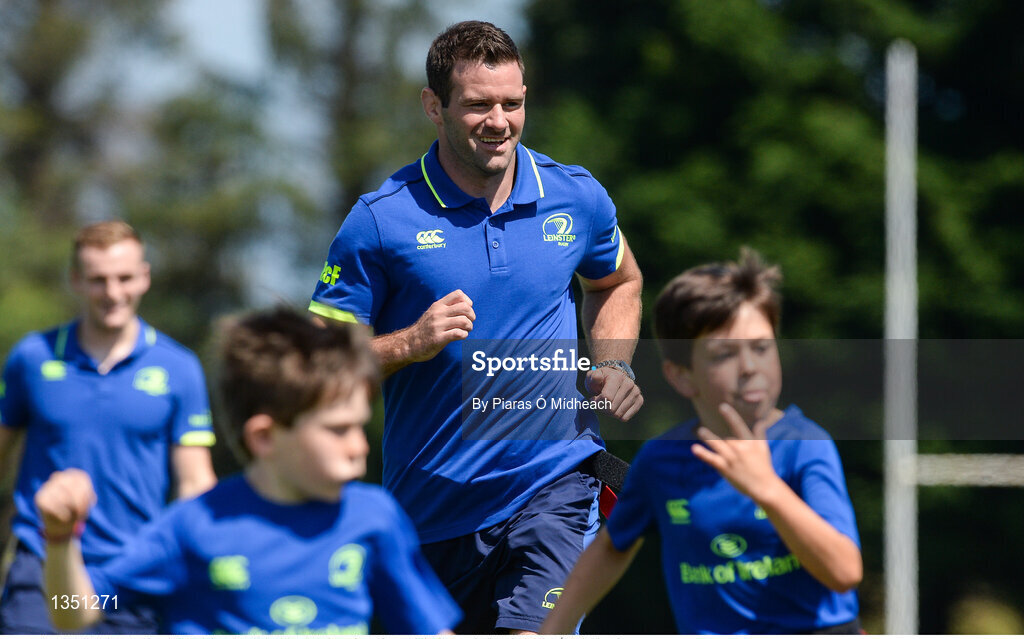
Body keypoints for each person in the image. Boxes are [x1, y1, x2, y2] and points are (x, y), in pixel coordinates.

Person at [309, 20, 643, 634]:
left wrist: (614, 360)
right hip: (431, 513)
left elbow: (617, 281)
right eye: (477, 105)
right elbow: (313, 362)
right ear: (433, 107)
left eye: (512, 103)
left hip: (554, 487)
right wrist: (410, 342)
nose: (499, 121)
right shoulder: (380, 222)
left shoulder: (577, 198)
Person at [34, 307, 461, 634]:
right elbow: (74, 610)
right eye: (338, 430)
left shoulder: (375, 518)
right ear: (265, 438)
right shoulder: (194, 526)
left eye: (359, 424)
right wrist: (59, 538)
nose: (359, 446)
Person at [540, 250, 863, 634]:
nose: (749, 367)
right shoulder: (662, 461)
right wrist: (551, 630)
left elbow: (845, 571)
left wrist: (767, 489)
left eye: (761, 347)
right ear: (681, 376)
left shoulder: (805, 445)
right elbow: (612, 547)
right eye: (724, 354)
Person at [0, 220, 217, 634]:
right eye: (99, 280)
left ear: (145, 278)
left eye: (124, 278)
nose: (113, 293)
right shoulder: (31, 358)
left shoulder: (179, 367)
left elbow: (194, 483)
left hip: (131, 573)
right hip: (41, 570)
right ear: (76, 281)